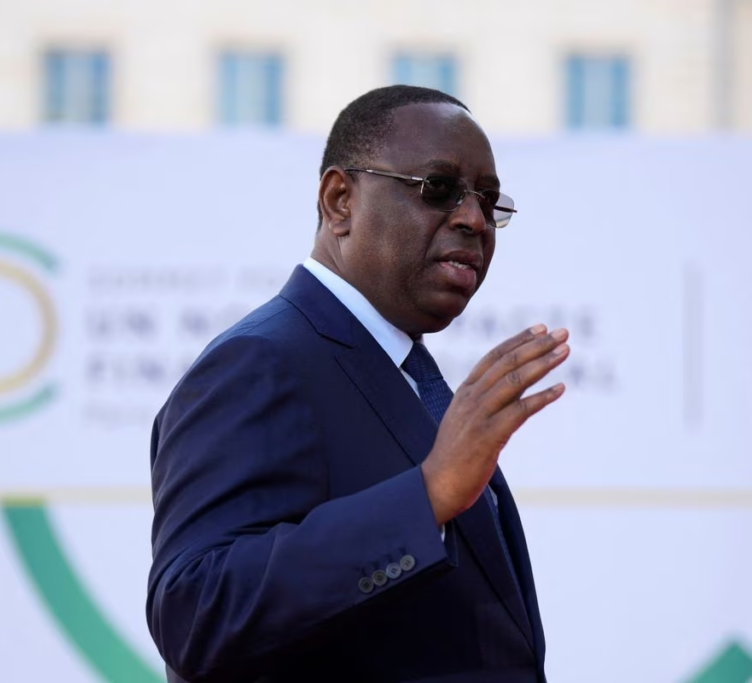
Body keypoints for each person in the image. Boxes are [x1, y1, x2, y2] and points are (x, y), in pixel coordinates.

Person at [147, 85, 570, 683]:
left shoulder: (404, 369)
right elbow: (195, 614)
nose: (474, 219)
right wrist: (425, 498)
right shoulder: (260, 362)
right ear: (340, 200)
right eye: (439, 189)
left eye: (488, 199)